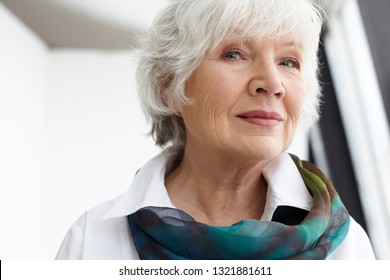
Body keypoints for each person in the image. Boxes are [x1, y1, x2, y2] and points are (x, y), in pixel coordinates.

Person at [56, 0, 376, 260]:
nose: (272, 83)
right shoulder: (93, 240)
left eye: (288, 62)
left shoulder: (346, 247)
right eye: (234, 54)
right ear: (171, 86)